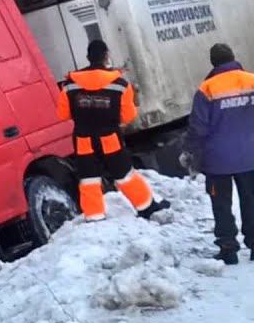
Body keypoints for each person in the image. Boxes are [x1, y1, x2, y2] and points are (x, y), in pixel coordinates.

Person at [57, 39, 170, 221]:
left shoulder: (70, 84)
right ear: (106, 57)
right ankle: (146, 207)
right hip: (110, 138)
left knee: (89, 179)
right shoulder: (120, 84)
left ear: (88, 57)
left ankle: (94, 216)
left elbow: (63, 115)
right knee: (124, 174)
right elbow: (128, 116)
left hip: (83, 139)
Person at [181, 43, 254, 265]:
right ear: (233, 57)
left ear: (213, 62)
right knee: (250, 199)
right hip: (248, 155)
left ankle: (228, 249)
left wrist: (190, 150)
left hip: (217, 159)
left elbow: (199, 127)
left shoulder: (207, 89)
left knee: (221, 203)